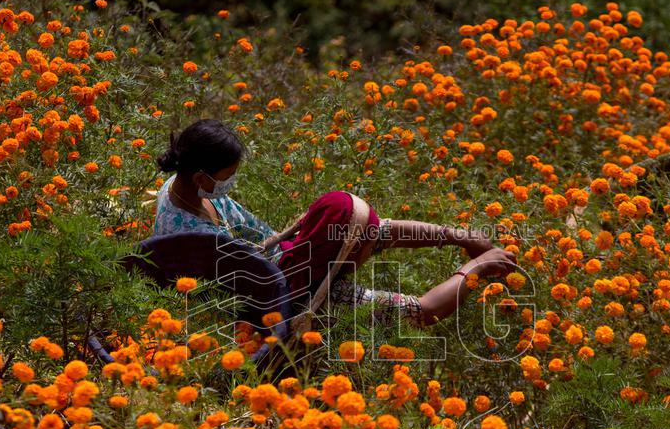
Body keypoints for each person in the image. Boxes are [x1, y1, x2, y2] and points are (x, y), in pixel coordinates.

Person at [151, 119, 517, 328]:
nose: (230, 183)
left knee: (345, 223)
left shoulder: (184, 185)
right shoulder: (316, 292)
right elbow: (424, 312)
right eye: (227, 175)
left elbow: (379, 231)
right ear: (202, 175)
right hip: (263, 306)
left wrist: (457, 236)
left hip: (267, 269)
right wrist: (478, 266)